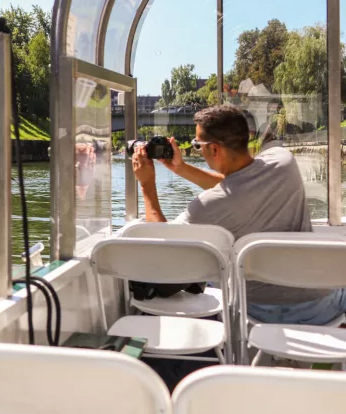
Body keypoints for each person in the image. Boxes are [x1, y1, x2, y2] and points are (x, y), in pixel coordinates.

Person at [133, 105, 346, 325]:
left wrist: (147, 185)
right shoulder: (284, 162)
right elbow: (241, 185)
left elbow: (159, 245)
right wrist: (182, 169)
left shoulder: (206, 207)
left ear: (214, 150)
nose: (197, 149)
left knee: (212, 278)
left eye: (197, 145)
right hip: (321, 308)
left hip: (255, 313)